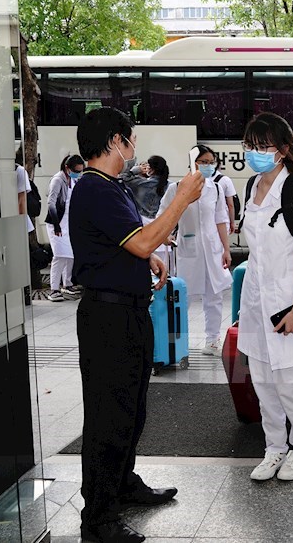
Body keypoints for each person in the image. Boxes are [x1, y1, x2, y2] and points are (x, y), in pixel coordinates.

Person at [70, 107, 204, 543]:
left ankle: (123, 484)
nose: (133, 147)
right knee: (109, 418)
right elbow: (143, 239)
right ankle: (99, 518)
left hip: (128, 312)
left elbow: (127, 243)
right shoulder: (95, 187)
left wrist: (147, 259)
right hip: (108, 318)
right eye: (130, 138)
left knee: (131, 409)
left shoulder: (111, 186)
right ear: (115, 140)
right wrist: (181, 199)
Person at [238, 113, 293, 482]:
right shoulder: (251, 186)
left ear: (283, 150)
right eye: (250, 146)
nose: (254, 153)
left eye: (262, 147)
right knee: (263, 382)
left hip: (289, 302)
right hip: (255, 302)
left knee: (291, 385)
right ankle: (274, 448)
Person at [158, 145, 232, 355]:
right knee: (184, 296)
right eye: (204, 162)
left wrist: (226, 249)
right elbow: (163, 214)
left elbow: (221, 219)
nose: (208, 166)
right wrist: (164, 236)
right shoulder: (176, 188)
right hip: (189, 249)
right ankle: (177, 340)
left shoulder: (215, 188)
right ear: (193, 163)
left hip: (213, 250)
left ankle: (213, 340)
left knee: (214, 296)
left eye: (211, 162)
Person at [45, 154, 85, 301]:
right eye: (76, 171)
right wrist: (56, 225)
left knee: (70, 255)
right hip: (57, 222)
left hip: (68, 223)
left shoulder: (72, 180)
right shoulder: (57, 180)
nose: (78, 173)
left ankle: (67, 284)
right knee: (60, 255)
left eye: (80, 171)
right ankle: (53, 289)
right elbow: (51, 203)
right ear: (67, 168)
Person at [119, 155, 170, 224]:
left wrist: (136, 170)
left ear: (151, 169)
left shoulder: (141, 183)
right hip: (160, 222)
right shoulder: (170, 185)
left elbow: (122, 179)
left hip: (140, 221)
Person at [212, 159, 238, 234]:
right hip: (222, 220)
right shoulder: (225, 180)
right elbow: (231, 205)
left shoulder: (198, 179)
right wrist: (232, 222)